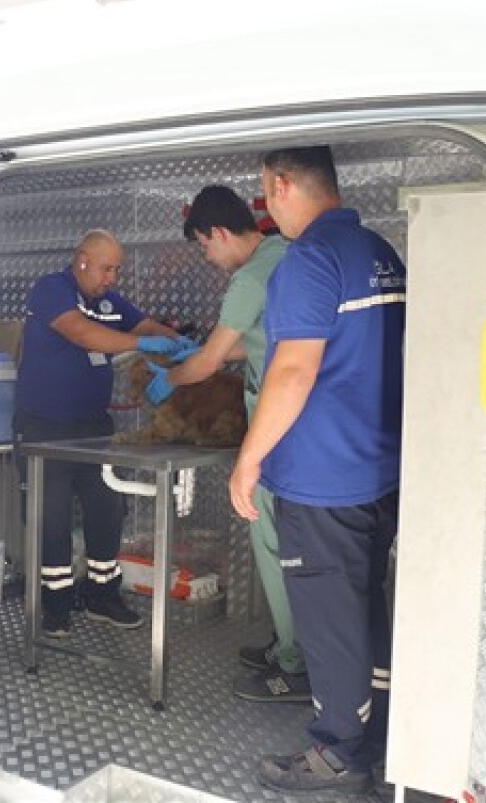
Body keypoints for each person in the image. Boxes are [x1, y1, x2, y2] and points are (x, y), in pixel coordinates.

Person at [228, 147, 405, 795]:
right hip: (378, 469)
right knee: (364, 606)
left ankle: (338, 750)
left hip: (323, 478)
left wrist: (249, 457)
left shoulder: (310, 258)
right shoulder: (379, 251)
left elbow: (294, 369)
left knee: (330, 622)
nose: (268, 206)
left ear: (281, 185)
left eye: (265, 192)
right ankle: (378, 728)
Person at [142, 185, 308, 704]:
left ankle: (296, 662)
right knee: (298, 548)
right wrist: (200, 349)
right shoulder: (285, 253)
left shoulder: (248, 278)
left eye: (204, 246)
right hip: (306, 428)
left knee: (274, 545)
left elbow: (210, 364)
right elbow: (258, 340)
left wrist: (173, 374)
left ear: (217, 233)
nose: (208, 257)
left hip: (276, 433)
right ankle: (291, 644)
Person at [16, 228, 195, 639]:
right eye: (106, 269)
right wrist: (144, 343)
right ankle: (55, 604)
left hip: (93, 428)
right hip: (45, 428)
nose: (112, 278)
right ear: (82, 260)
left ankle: (102, 595)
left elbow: (146, 324)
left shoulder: (109, 302)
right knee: (51, 519)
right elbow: (83, 333)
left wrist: (182, 344)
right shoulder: (52, 290)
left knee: (108, 509)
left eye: (116, 270)